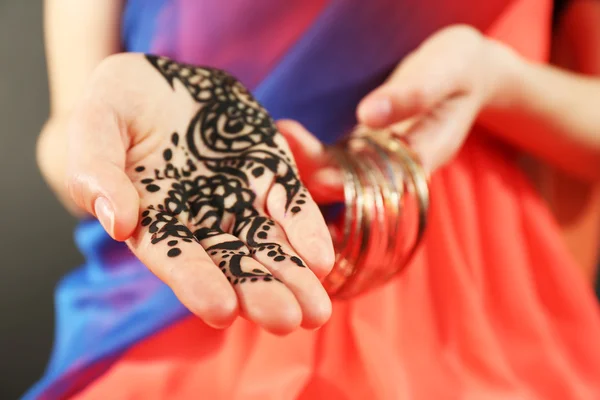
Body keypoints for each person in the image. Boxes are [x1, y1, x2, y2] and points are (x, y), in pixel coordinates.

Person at [28, 0, 600, 398]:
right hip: (175, 306)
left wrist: (496, 79)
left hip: (478, 312)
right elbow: (66, 140)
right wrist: (102, 144)